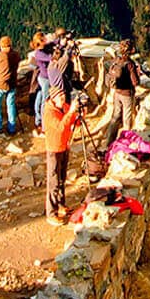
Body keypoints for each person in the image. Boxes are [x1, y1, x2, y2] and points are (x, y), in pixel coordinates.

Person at [42, 89, 86, 224]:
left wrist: (80, 112)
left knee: (62, 178)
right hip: (54, 149)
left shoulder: (64, 107)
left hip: (64, 146)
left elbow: (74, 122)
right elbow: (60, 128)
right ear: (53, 98)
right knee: (53, 181)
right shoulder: (49, 113)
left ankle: (61, 205)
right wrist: (71, 112)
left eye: (63, 95)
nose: (63, 98)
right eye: (60, 96)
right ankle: (51, 213)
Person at [102, 39, 144, 146]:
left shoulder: (117, 60)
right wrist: (138, 73)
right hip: (127, 94)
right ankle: (126, 142)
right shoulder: (130, 64)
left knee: (115, 117)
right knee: (127, 119)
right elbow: (135, 82)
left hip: (117, 93)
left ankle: (109, 142)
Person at [0, 35, 20, 135]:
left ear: (1, 46)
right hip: (12, 83)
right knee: (11, 106)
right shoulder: (16, 55)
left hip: (0, 84)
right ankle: (12, 128)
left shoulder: (0, 55)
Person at [29, 32, 52, 135]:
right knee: (45, 102)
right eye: (44, 39)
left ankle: (38, 121)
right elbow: (51, 58)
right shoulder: (39, 53)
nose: (46, 40)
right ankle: (44, 125)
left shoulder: (41, 49)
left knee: (39, 98)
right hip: (45, 79)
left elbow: (52, 43)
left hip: (42, 78)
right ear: (40, 42)